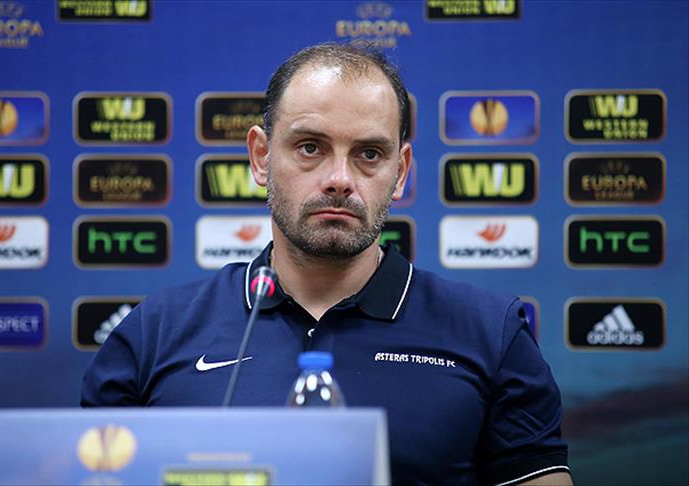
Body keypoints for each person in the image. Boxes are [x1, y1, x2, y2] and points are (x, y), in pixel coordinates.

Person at [82, 42, 572, 485]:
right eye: (310, 147)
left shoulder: (492, 333)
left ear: (400, 172)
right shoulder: (154, 333)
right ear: (260, 157)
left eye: (369, 153)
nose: (339, 178)